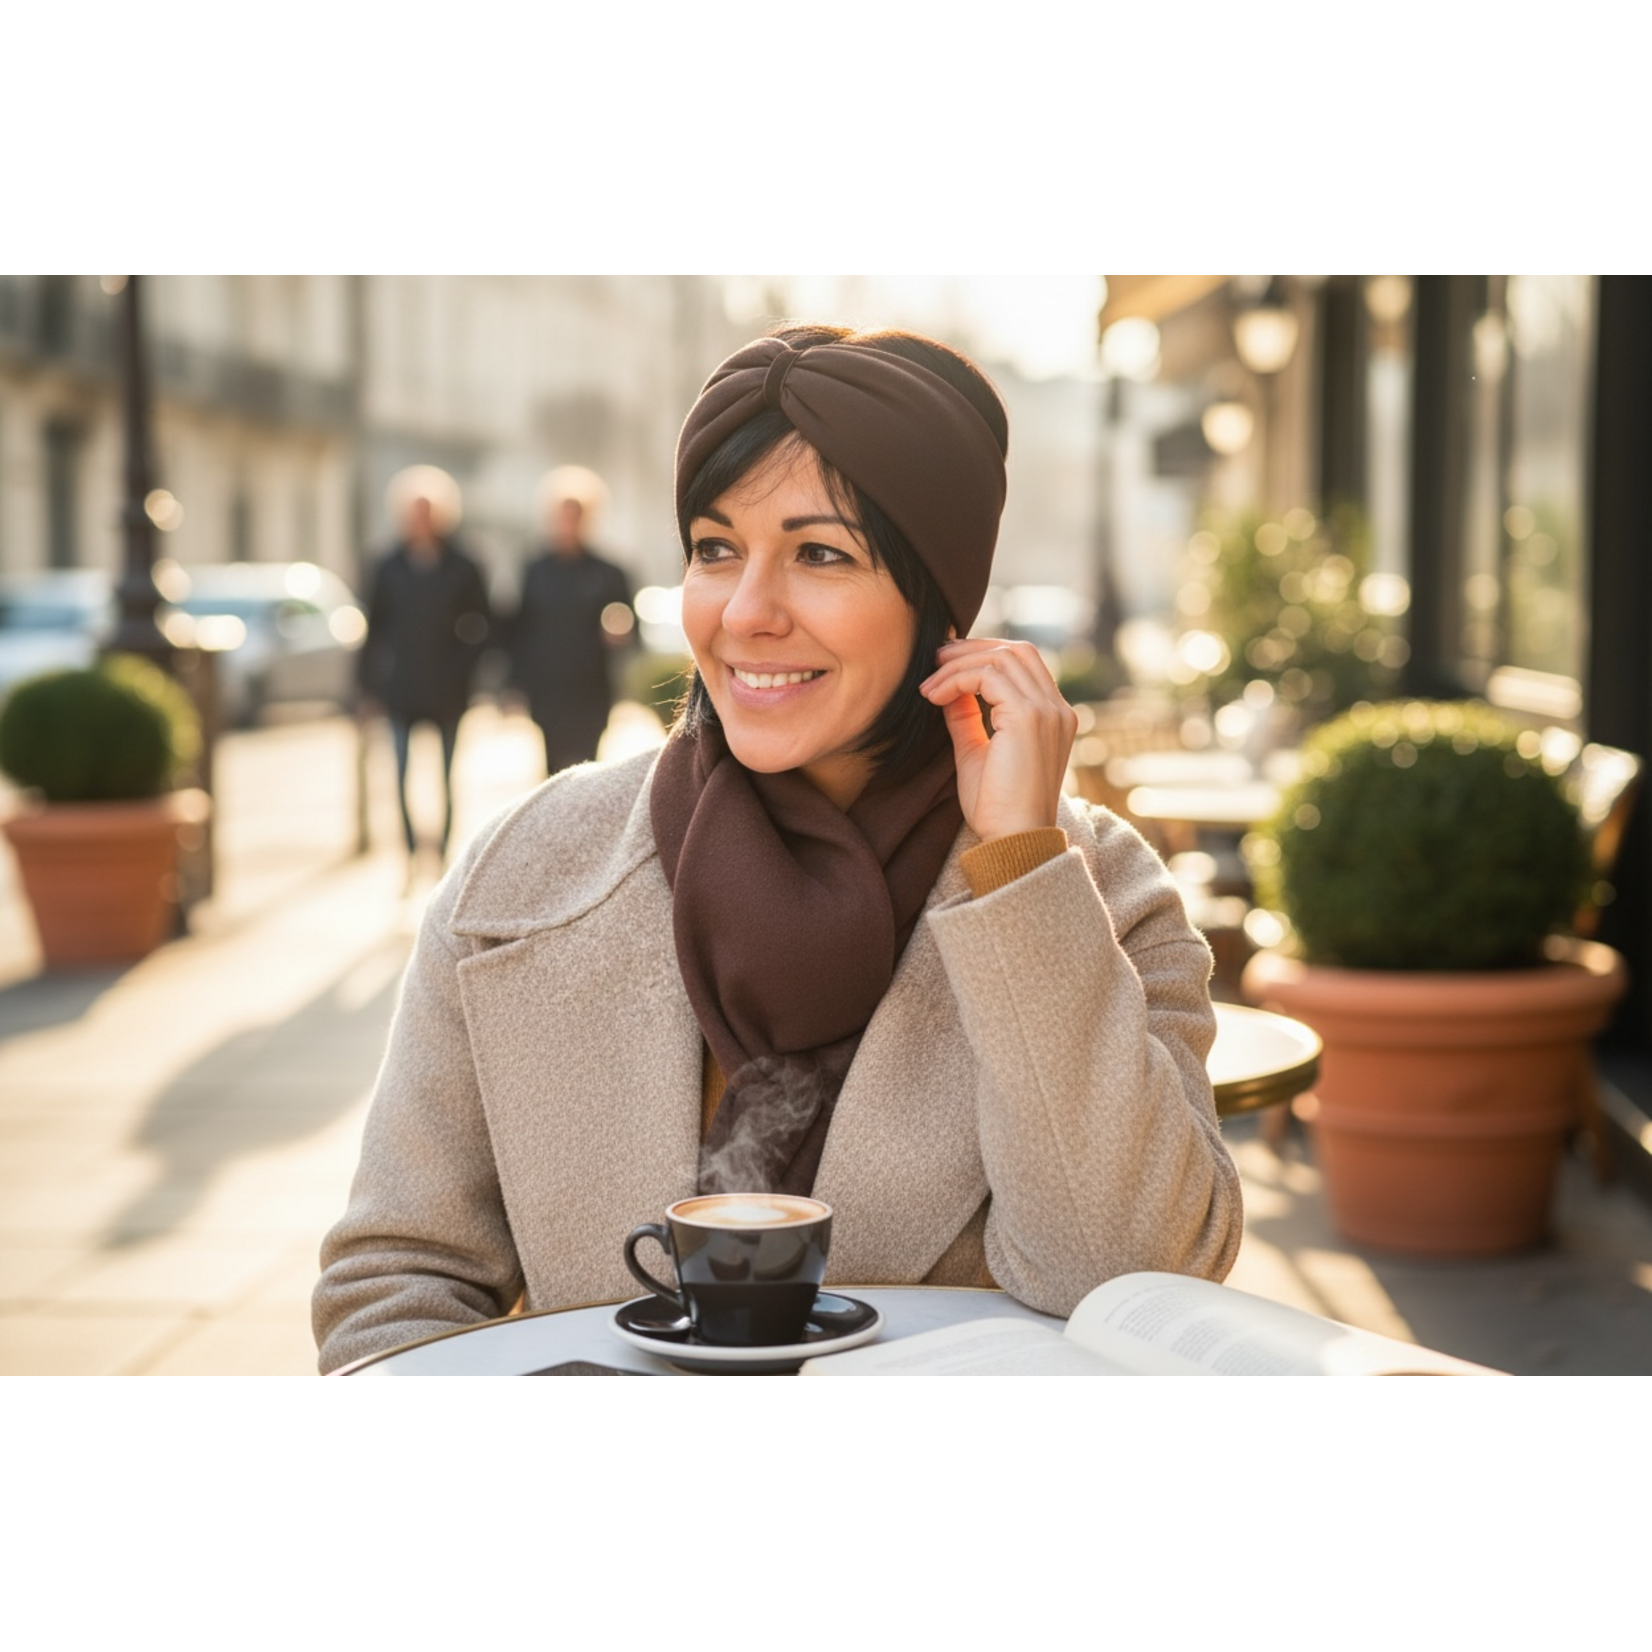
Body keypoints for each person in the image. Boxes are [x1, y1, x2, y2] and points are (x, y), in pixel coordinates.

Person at [314, 326, 1242, 1372]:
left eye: (819, 553)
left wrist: (1020, 867)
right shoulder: (520, 874)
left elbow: (1128, 1279)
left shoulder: (1097, 890)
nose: (745, 612)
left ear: (934, 595)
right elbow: (395, 1285)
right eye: (715, 548)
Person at [355, 466, 491, 872]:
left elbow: (483, 625)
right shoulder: (387, 565)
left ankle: (444, 851)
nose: (421, 519)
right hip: (401, 689)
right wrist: (367, 688)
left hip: (448, 691)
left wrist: (464, 669)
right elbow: (373, 628)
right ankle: (411, 850)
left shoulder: (464, 565)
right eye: (414, 510)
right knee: (399, 777)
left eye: (428, 510)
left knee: (447, 778)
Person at [507, 465, 634, 775]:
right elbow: (518, 627)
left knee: (589, 769)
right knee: (550, 770)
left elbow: (628, 623)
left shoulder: (609, 572)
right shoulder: (535, 569)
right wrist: (514, 682)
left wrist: (619, 630)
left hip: (590, 687)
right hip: (547, 686)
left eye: (576, 516)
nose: (568, 524)